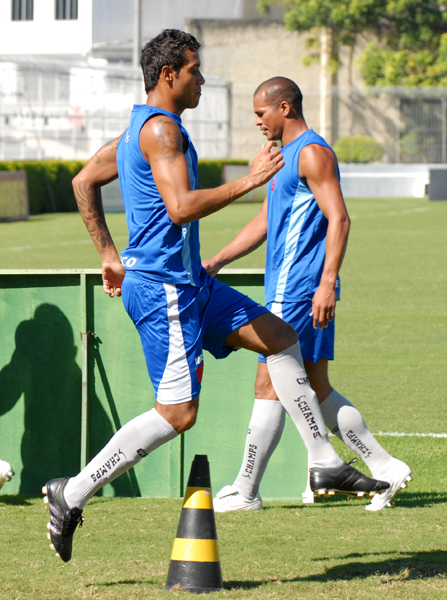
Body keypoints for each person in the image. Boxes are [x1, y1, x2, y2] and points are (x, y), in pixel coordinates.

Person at [42, 31, 389, 563]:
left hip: (191, 284)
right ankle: (73, 492)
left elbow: (83, 181)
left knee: (281, 338)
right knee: (178, 414)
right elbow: (180, 207)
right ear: (168, 75)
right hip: (165, 290)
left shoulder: (141, 129)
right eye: (195, 70)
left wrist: (109, 254)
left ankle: (322, 461)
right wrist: (250, 181)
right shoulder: (161, 130)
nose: (202, 79)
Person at [204, 76, 411, 514]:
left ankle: (246, 490)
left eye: (261, 113)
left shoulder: (313, 152)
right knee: (316, 388)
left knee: (267, 384)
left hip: (299, 290)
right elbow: (265, 221)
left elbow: (340, 218)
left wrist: (327, 282)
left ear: (284, 107)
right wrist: (216, 261)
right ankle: (385, 466)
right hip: (296, 289)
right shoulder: (281, 158)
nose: (257, 121)